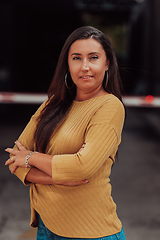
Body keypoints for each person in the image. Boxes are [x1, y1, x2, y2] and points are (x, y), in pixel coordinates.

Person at [5, 26, 126, 240]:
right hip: (46, 227)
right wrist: (58, 178)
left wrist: (31, 158)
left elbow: (82, 167)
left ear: (107, 63)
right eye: (77, 58)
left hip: (90, 232)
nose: (85, 67)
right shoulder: (53, 104)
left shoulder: (109, 106)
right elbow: (15, 157)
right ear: (67, 64)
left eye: (94, 57)